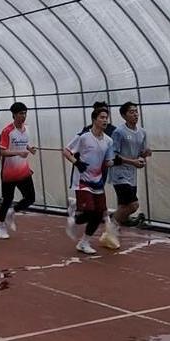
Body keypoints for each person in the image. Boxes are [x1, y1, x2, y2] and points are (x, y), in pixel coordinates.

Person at [63, 107, 115, 254]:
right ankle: (74, 218)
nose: (105, 120)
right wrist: (76, 162)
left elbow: (108, 162)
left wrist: (116, 161)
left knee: (99, 215)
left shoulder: (109, 141)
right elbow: (66, 151)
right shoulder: (84, 137)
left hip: (97, 181)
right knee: (90, 211)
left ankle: (84, 243)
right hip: (82, 180)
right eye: (102, 117)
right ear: (94, 120)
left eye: (106, 118)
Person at [103, 101, 152, 247]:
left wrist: (145, 155)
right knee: (133, 205)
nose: (135, 114)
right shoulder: (119, 132)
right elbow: (113, 156)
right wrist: (133, 162)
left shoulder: (142, 132)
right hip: (119, 174)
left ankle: (111, 231)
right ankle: (110, 228)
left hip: (132, 176)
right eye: (131, 112)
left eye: (136, 111)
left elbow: (141, 154)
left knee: (124, 206)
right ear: (124, 116)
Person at [0, 102, 37, 240]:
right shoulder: (7, 131)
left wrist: (30, 149)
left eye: (25, 113)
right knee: (7, 200)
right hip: (9, 172)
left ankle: (12, 212)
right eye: (20, 113)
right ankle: (1, 226)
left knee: (30, 198)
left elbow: (24, 143)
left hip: (23, 170)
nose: (23, 116)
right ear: (14, 115)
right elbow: (2, 152)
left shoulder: (27, 129)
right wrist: (19, 153)